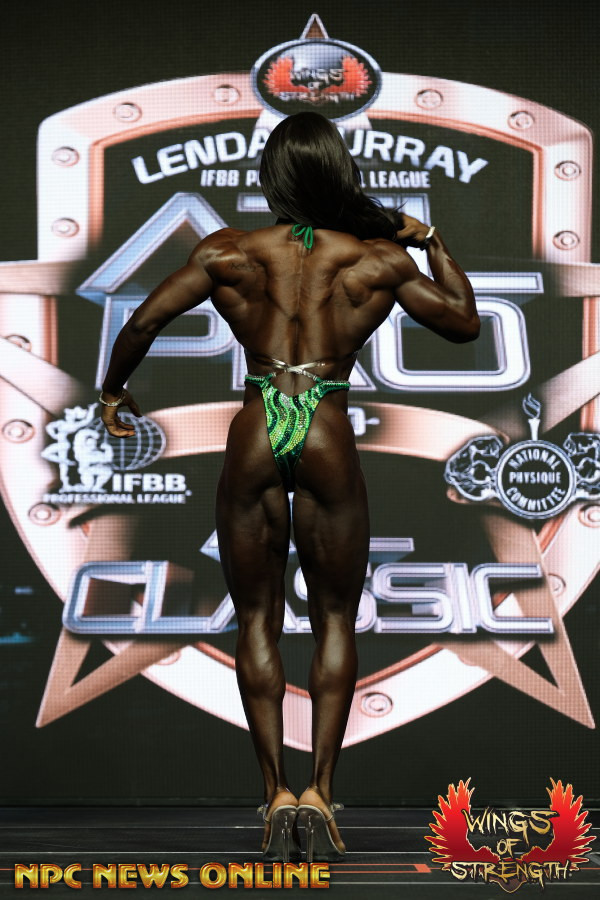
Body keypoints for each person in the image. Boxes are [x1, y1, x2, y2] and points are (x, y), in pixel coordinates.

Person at [99, 111, 479, 863]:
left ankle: (274, 790)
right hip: (328, 427)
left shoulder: (229, 252)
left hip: (256, 426)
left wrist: (113, 393)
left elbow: (141, 322)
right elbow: (465, 322)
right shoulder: (375, 260)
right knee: (335, 616)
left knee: (256, 618)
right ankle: (321, 792)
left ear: (271, 178)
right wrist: (431, 240)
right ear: (338, 175)